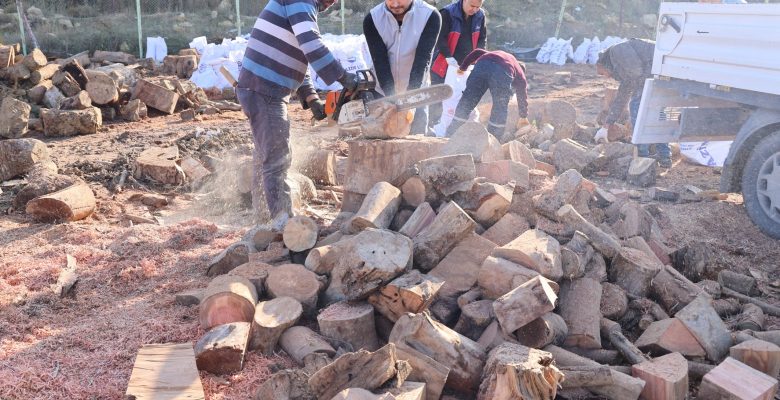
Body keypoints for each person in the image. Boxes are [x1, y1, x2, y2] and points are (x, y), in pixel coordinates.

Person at [237, 0, 357, 229]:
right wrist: (344, 77)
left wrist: (312, 99)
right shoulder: (300, 1)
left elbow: (300, 54)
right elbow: (312, 46)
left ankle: (264, 219)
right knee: (277, 157)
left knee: (266, 155)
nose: (334, 2)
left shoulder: (299, 4)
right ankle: (283, 224)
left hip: (263, 88)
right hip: (264, 89)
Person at [363, 0, 442, 135]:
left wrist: (409, 99)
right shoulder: (373, 19)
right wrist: (391, 99)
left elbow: (422, 60)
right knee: (380, 140)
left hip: (417, 90)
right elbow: (380, 62)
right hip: (382, 90)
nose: (395, 4)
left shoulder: (430, 16)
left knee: (417, 139)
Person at [594, 38, 672, 168]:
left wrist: (635, 91)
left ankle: (642, 156)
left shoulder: (617, 51)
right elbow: (622, 96)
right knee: (660, 115)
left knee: (637, 107)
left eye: (603, 73)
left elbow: (636, 72)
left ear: (603, 64)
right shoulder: (620, 62)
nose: (606, 77)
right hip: (663, 73)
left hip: (655, 73)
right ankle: (664, 156)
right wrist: (606, 125)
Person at [429, 0, 487, 129]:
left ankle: (457, 127)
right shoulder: (447, 13)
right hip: (443, 62)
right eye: (472, 6)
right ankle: (433, 126)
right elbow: (439, 37)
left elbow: (482, 38)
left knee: (463, 95)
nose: (475, 9)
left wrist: (479, 56)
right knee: (439, 94)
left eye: (478, 7)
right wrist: (448, 56)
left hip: (467, 65)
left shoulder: (480, 15)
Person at [446, 49, 529, 138]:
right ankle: (493, 138)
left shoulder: (496, 54)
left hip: (482, 65)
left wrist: (463, 67)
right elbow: (522, 95)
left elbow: (476, 52)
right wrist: (523, 116)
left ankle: (451, 134)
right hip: (502, 72)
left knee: (468, 100)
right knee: (500, 105)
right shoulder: (520, 73)